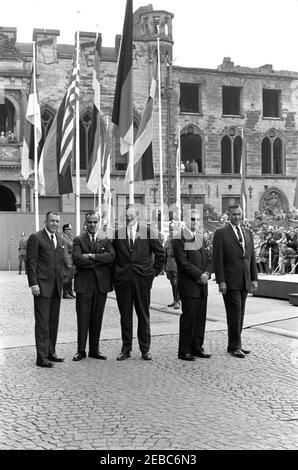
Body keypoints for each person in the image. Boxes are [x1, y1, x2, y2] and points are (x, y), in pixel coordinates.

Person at [113, 204, 165, 361]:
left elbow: (161, 254)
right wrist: (117, 275)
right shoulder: (118, 234)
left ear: (138, 216)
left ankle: (145, 349)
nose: (129, 218)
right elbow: (113, 257)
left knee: (143, 314)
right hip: (123, 281)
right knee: (125, 315)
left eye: (132, 215)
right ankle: (126, 348)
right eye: (127, 215)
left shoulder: (147, 232)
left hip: (142, 280)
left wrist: (152, 274)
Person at [212, 204, 258, 358]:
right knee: (234, 314)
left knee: (241, 314)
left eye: (239, 214)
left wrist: (254, 278)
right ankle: (234, 346)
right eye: (234, 215)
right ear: (228, 215)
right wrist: (221, 281)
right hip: (230, 281)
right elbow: (217, 260)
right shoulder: (221, 233)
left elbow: (251, 258)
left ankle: (236, 344)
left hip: (245, 280)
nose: (237, 217)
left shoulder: (247, 232)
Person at [72, 211, 115, 362]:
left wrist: (91, 256)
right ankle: (81, 350)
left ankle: (94, 350)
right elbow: (77, 259)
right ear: (86, 223)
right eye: (89, 222)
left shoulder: (105, 240)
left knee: (97, 318)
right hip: (84, 285)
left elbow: (111, 257)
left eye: (95, 222)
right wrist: (99, 261)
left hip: (100, 286)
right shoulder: (78, 240)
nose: (92, 224)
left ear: (99, 223)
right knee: (83, 318)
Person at [26, 211, 67, 367]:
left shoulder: (60, 238)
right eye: (52, 221)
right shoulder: (36, 238)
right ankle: (41, 357)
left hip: (56, 287)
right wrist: (33, 284)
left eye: (57, 221)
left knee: (53, 322)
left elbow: (60, 262)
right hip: (42, 286)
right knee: (42, 322)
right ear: (45, 221)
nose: (55, 224)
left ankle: (51, 352)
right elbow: (31, 263)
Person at [172, 209, 212, 361]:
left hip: (202, 285)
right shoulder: (179, 238)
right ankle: (184, 351)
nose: (195, 222)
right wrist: (199, 275)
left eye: (197, 219)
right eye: (192, 219)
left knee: (200, 318)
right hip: (189, 285)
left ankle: (197, 347)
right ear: (186, 220)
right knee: (189, 318)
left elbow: (208, 259)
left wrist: (207, 273)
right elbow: (183, 262)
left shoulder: (200, 237)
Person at [165, 223, 180, 309]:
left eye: (173, 228)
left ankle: (178, 301)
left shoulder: (178, 239)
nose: (171, 229)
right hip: (169, 263)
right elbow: (165, 252)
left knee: (176, 282)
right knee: (172, 283)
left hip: (176, 263)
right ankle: (175, 300)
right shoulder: (168, 239)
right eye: (170, 228)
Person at [61, 223, 75, 299]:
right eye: (69, 229)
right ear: (65, 230)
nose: (70, 230)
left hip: (72, 257)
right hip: (67, 257)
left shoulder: (70, 237)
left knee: (71, 275)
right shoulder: (63, 237)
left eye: (71, 229)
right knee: (66, 275)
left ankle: (70, 291)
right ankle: (65, 293)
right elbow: (65, 249)